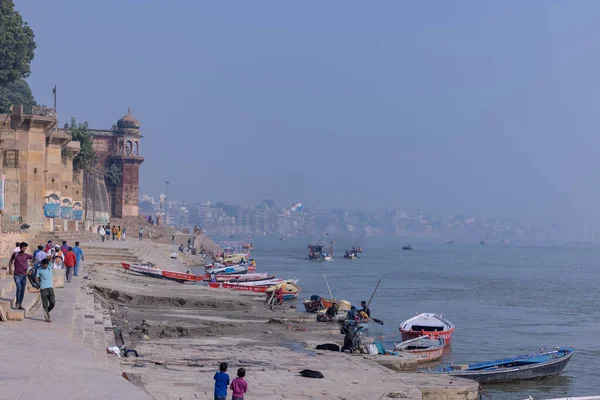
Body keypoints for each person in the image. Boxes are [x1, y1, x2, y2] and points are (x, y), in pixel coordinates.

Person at [8, 242, 33, 310]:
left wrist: (32, 265)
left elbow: (34, 258)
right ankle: (17, 302)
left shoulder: (26, 255)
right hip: (17, 275)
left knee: (22, 291)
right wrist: (10, 269)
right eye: (22, 248)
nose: (23, 249)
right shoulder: (16, 254)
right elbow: (10, 261)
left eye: (25, 248)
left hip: (24, 276)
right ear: (20, 247)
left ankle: (20, 304)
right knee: (19, 288)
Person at [37, 258, 55, 322]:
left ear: (47, 264)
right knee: (45, 303)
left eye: (45, 265)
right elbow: (36, 278)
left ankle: (47, 311)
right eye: (43, 264)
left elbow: (50, 260)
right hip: (43, 288)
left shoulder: (49, 267)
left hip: (50, 287)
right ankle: (47, 317)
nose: (43, 266)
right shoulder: (39, 270)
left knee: (53, 302)